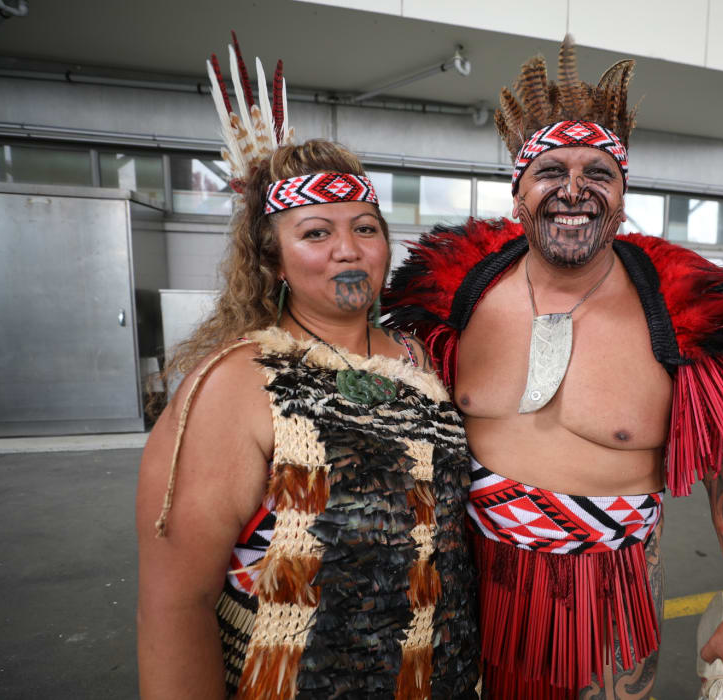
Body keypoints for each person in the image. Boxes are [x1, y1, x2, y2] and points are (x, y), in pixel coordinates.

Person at [384, 36, 723, 700]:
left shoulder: (682, 311)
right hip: (470, 591)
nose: (574, 189)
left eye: (597, 173)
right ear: (518, 194)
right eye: (551, 172)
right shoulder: (457, 293)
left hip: (610, 603)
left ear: (623, 196)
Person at [135, 40, 479, 700]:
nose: (347, 249)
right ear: (273, 261)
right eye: (316, 232)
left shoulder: (419, 358)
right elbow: (175, 605)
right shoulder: (237, 383)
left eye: (365, 227)